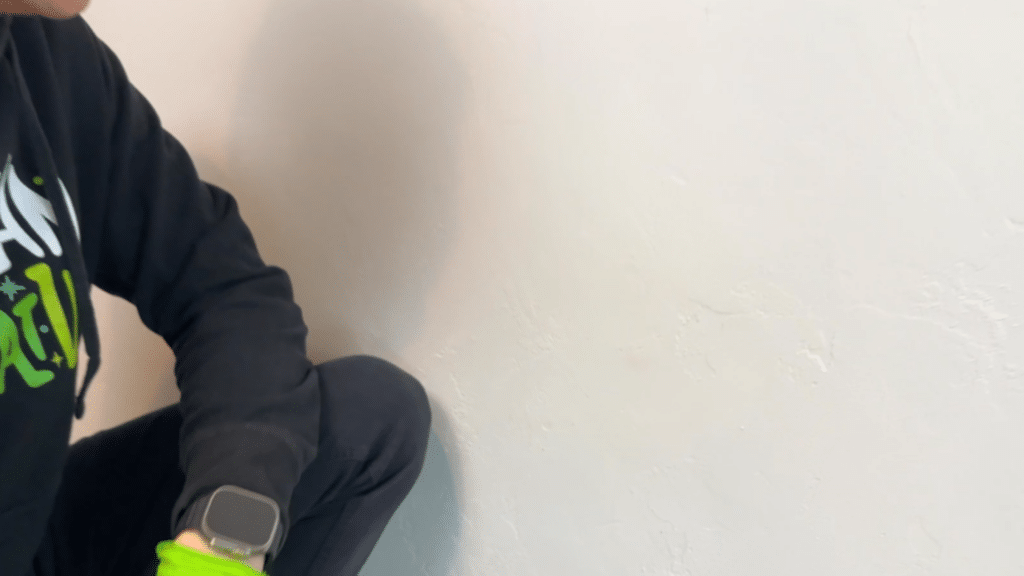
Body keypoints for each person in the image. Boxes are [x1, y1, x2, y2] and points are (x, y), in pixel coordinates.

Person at [0, 1, 432, 575]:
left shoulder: (49, 54)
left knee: (373, 418)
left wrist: (223, 541)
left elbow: (223, 289)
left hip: (26, 532)